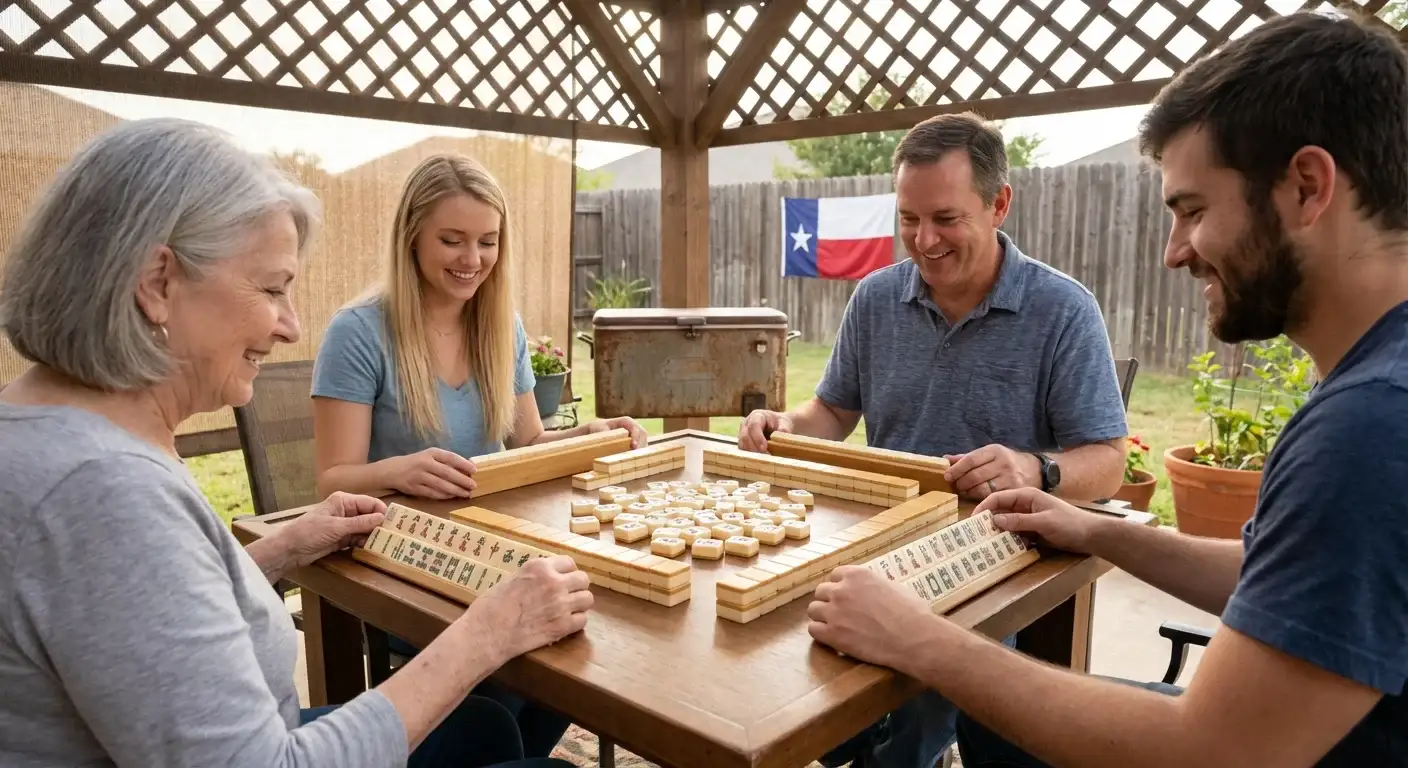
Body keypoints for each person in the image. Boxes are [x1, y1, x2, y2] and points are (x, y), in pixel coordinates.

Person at [805, 10, 1408, 768]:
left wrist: (917, 638)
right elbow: (1283, 574)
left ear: (1308, 187)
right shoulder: (1377, 388)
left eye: (1193, 210)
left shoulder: (1371, 425)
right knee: (995, 729)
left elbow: (1211, 751)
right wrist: (1099, 532)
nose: (1174, 251)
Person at [0, 117, 591, 768]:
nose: (291, 327)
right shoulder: (102, 491)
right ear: (158, 283)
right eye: (272, 288)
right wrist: (487, 633)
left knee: (482, 727)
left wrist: (283, 547)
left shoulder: (54, 432)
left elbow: (144, 615)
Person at [739, 113, 1129, 767]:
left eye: (946, 218)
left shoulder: (1062, 310)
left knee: (932, 679)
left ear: (999, 204)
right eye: (909, 219)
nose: (924, 240)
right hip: (881, 533)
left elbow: (1108, 463)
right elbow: (833, 410)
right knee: (778, 628)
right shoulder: (875, 298)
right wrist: (788, 424)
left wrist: (1035, 469)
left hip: (995, 554)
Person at [309, 151, 646, 757]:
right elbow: (331, 480)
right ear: (412, 236)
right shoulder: (358, 332)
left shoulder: (499, 324)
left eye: (487, 242)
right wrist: (398, 470)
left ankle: (504, 753)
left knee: (580, 628)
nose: (472, 260)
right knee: (530, 664)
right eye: (453, 240)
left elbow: (528, 443)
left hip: (501, 545)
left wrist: (590, 435)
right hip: (406, 563)